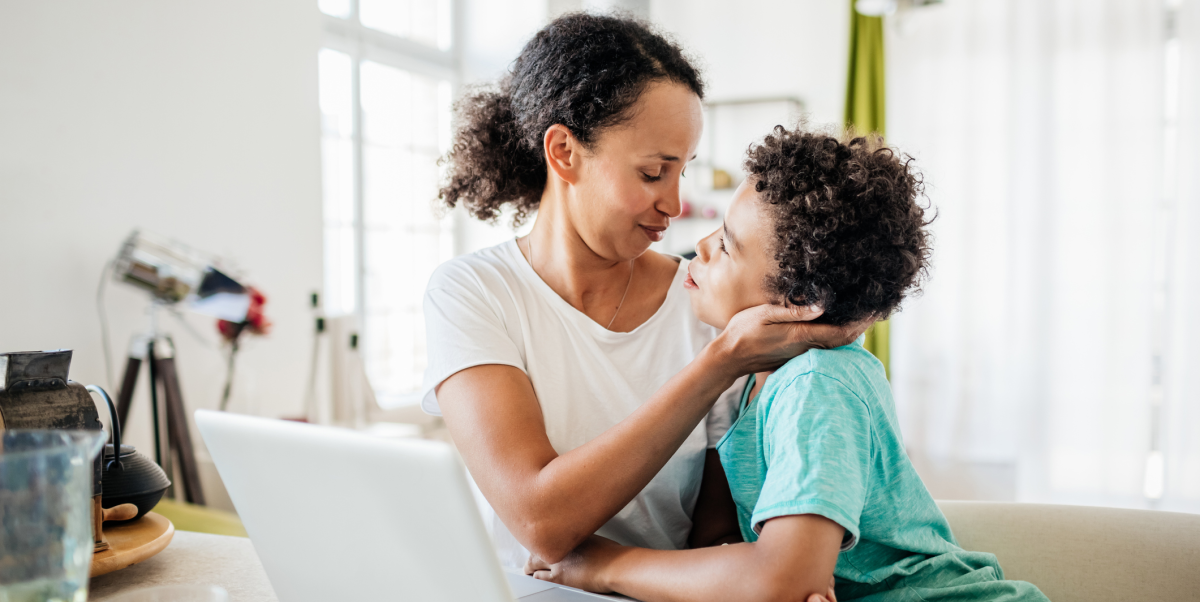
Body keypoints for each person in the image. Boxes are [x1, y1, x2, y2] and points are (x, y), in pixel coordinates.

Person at [422, 12, 864, 582]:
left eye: (683, 171)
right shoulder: (473, 293)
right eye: (654, 172)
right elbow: (541, 526)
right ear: (563, 152)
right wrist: (717, 363)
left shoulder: (708, 302)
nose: (676, 205)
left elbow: (716, 534)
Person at [524, 127, 1050, 602]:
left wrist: (603, 564)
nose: (701, 247)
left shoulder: (817, 385)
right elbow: (752, 563)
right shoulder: (761, 382)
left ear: (799, 300)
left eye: (728, 246)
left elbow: (782, 581)